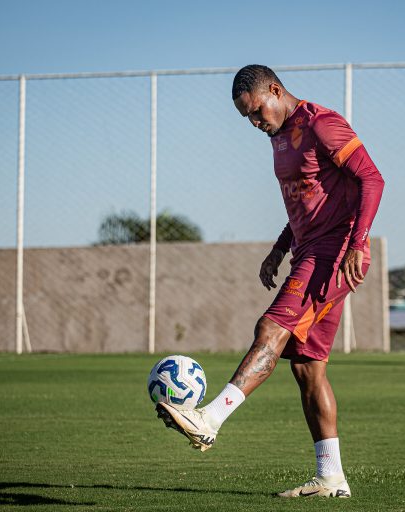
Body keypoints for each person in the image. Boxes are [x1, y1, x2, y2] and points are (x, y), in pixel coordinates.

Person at [155, 65, 384, 498]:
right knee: (307, 369)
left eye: (258, 111)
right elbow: (305, 201)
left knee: (270, 328)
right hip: (308, 249)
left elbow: (372, 178)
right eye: (248, 118)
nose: (256, 122)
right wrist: (280, 248)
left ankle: (210, 421)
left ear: (275, 91)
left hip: (334, 252)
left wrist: (358, 241)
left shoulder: (322, 123)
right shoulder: (280, 136)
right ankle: (331, 477)